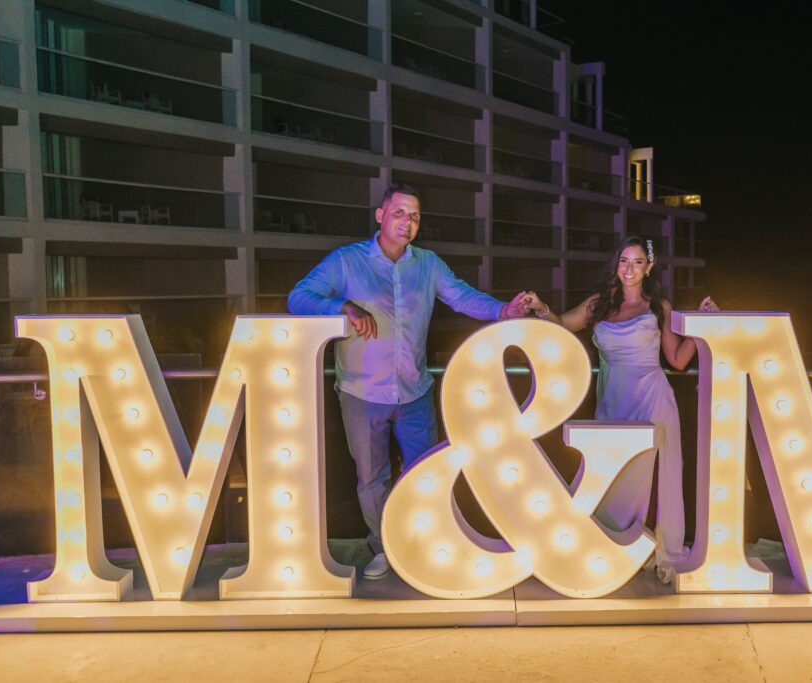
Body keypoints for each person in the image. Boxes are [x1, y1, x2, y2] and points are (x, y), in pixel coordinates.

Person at [287, 182, 529, 580]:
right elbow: (299, 296)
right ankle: (385, 547)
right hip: (362, 393)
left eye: (415, 216)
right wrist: (342, 307)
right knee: (372, 479)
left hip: (415, 391)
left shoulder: (428, 264)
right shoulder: (347, 262)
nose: (408, 222)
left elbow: (463, 297)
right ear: (380, 216)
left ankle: (423, 545)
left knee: (426, 474)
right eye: (399, 213)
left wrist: (503, 310)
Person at [521, 236, 717, 583]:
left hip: (653, 397)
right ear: (617, 264)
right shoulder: (599, 304)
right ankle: (610, 546)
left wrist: (703, 329)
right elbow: (562, 326)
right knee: (611, 477)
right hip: (613, 401)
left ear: (649, 267)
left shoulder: (660, 307)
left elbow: (678, 360)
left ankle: (663, 550)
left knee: (662, 474)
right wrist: (541, 308)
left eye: (638, 262)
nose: (629, 269)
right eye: (624, 261)